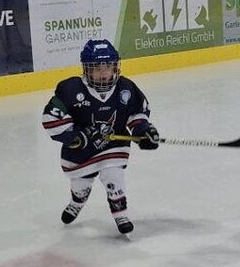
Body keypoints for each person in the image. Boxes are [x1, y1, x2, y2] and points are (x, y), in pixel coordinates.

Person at [40, 39, 159, 236]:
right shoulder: (71, 90)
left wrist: (143, 131)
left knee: (114, 176)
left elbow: (136, 114)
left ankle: (121, 214)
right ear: (87, 70)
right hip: (81, 152)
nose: (104, 73)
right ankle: (78, 200)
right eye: (97, 68)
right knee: (80, 184)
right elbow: (50, 118)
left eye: (108, 67)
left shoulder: (126, 88)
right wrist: (75, 137)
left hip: (113, 146)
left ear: (115, 67)